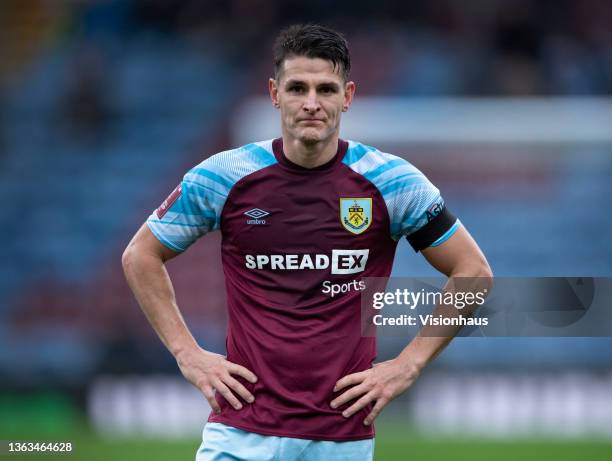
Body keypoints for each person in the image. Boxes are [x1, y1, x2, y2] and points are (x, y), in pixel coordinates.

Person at [122, 23, 492, 461]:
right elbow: (141, 255)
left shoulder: (393, 183)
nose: (312, 103)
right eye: (298, 88)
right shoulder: (225, 177)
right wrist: (187, 354)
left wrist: (407, 365)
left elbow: (473, 272)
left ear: (348, 96)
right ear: (275, 94)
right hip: (242, 432)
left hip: (343, 439)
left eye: (326, 89)